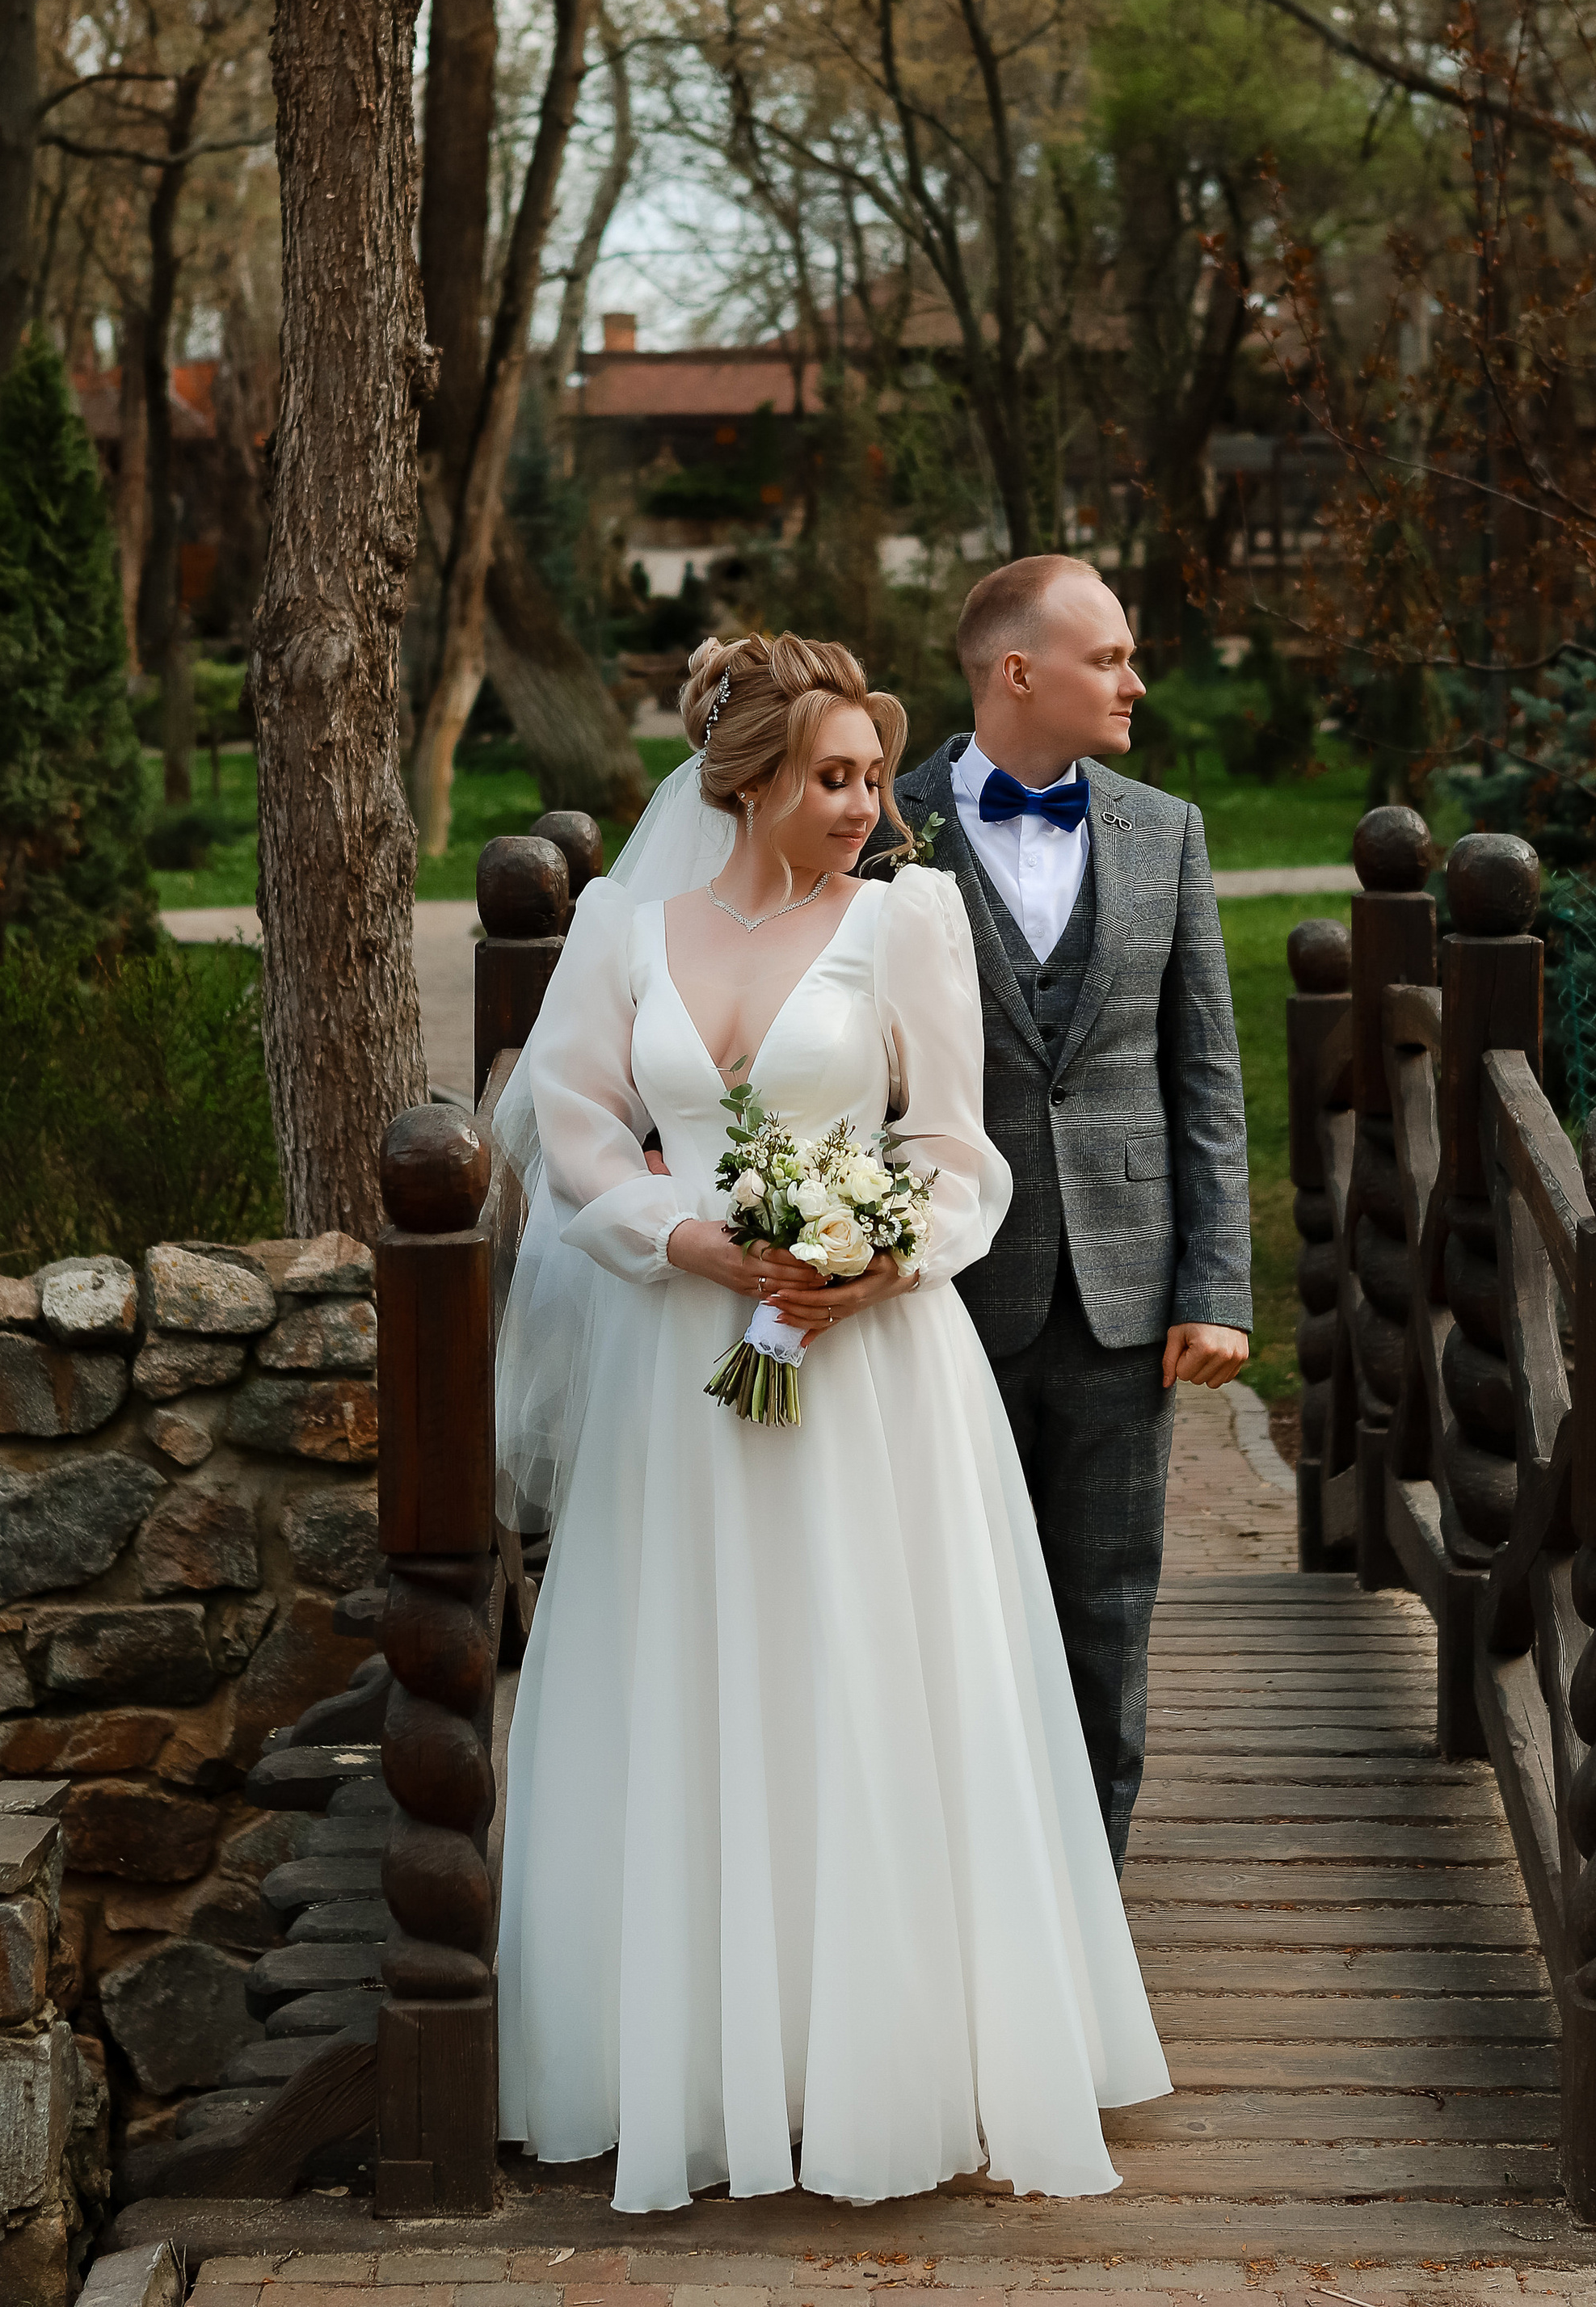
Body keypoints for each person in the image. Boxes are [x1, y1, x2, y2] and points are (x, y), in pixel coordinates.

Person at [494, 630, 1170, 2216]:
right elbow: (581, 1137)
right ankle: (695, 2060)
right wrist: (688, 1239)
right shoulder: (617, 932)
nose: (867, 803)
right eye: (833, 777)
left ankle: (891, 2057)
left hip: (866, 1373)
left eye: (874, 775)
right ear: (747, 782)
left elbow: (951, 1149)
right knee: (694, 1683)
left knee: (867, 1681)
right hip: (682, 1371)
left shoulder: (904, 923)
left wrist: (871, 1261)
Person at [879, 557, 1252, 1867]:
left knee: (1107, 1606)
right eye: (1110, 658)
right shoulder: (881, 827)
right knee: (943, 1607)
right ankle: (958, 1893)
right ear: (1017, 673)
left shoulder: (1167, 832)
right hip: (933, 1296)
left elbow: (1204, 1075)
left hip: (1125, 1293)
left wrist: (1217, 1287)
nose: (1135, 680)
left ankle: (1093, 1897)